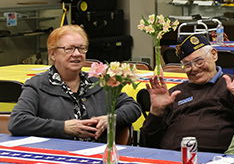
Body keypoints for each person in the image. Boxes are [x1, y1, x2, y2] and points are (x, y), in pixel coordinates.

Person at [8, 25, 141, 141]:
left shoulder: (99, 82)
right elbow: (18, 122)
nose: (77, 54)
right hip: (55, 156)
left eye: (81, 48)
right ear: (52, 54)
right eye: (69, 49)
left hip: (97, 155)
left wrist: (110, 119)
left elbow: (133, 107)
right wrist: (63, 127)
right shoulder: (38, 85)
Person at [140, 34, 234, 153]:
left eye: (199, 61)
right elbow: (147, 143)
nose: (194, 68)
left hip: (215, 159)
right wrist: (156, 112)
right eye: (187, 65)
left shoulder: (233, 87)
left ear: (214, 55)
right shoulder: (174, 94)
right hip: (172, 158)